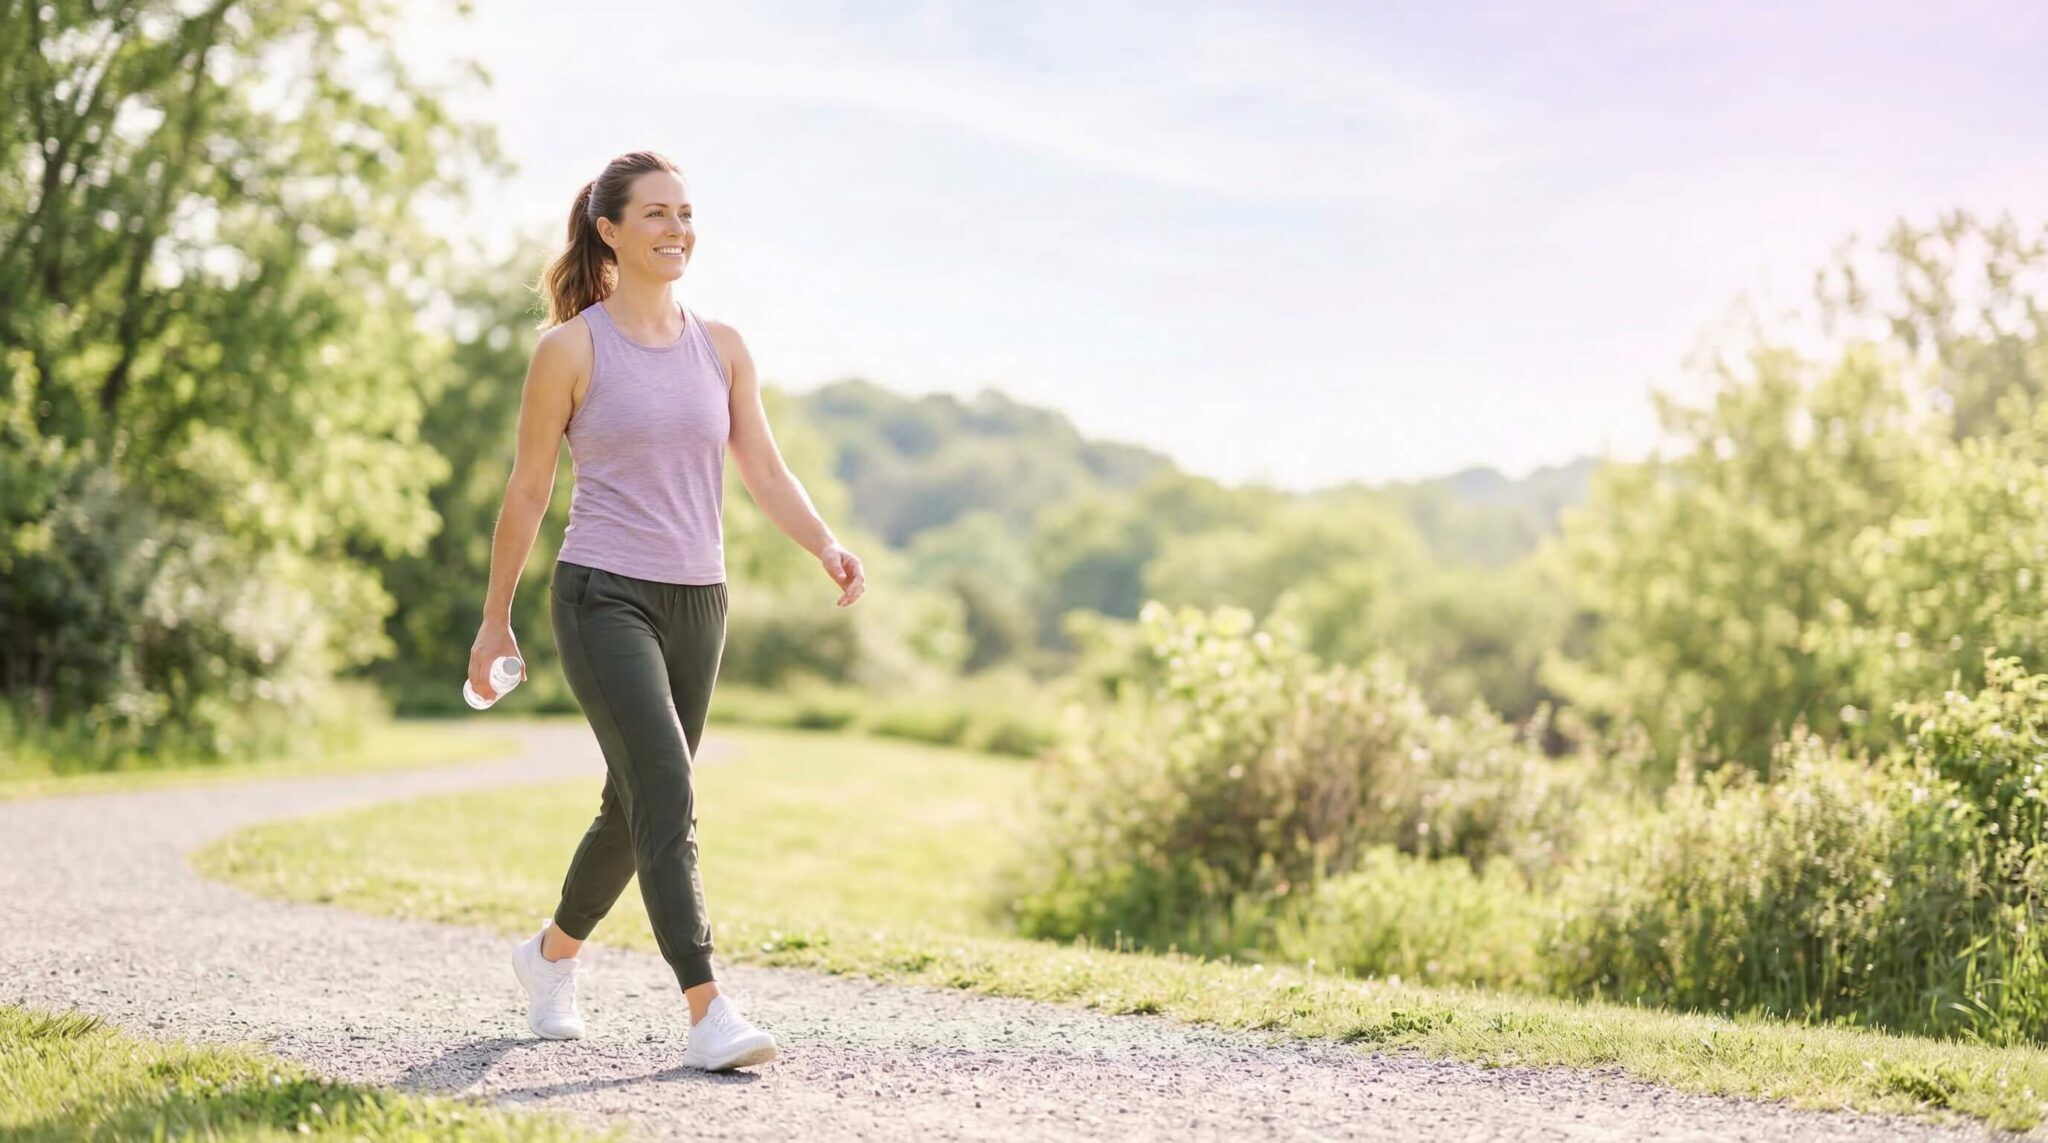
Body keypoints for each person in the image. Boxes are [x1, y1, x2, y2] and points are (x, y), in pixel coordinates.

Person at [468, 150, 865, 1072]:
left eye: (685, 213)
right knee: (671, 791)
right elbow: (528, 491)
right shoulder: (570, 348)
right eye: (655, 214)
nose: (676, 229)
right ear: (609, 230)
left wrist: (824, 542)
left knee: (634, 800)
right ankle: (707, 1007)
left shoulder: (720, 346)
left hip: (700, 598)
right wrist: (496, 620)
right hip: (603, 592)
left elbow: (761, 465)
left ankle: (549, 956)